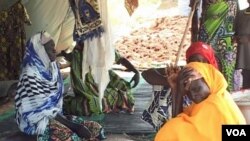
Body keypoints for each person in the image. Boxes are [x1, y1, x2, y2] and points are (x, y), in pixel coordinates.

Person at [14, 31, 105, 140]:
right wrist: (75, 127)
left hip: (56, 118)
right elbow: (42, 110)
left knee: (96, 129)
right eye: (50, 47)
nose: (54, 50)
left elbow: (54, 109)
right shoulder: (30, 74)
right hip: (35, 124)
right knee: (72, 137)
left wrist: (74, 126)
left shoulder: (53, 68)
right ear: (40, 50)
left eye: (54, 46)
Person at [155, 62, 246, 141]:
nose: (193, 95)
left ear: (208, 81)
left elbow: (176, 131)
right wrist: (176, 88)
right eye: (188, 92)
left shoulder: (214, 105)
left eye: (197, 89)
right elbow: (178, 124)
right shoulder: (218, 98)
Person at [141, 41, 218, 130]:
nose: (196, 65)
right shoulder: (185, 73)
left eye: (201, 62)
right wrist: (175, 84)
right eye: (193, 61)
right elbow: (147, 74)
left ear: (209, 64)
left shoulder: (215, 84)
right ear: (188, 62)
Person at [58, 42, 140, 116]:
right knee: (92, 105)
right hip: (85, 87)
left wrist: (135, 71)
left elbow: (119, 58)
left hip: (99, 79)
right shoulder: (79, 50)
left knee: (123, 90)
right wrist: (67, 55)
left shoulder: (100, 45)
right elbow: (76, 56)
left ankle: (105, 101)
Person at [189, 0, 238, 91]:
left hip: (227, 42)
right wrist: (194, 41)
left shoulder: (232, 2)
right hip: (206, 40)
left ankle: (224, 99)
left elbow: (236, 17)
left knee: (226, 75)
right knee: (205, 75)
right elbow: (195, 18)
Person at [234, 0, 250, 89]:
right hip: (245, 59)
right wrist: (236, 38)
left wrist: (248, 38)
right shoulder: (240, 14)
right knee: (247, 86)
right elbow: (235, 32)